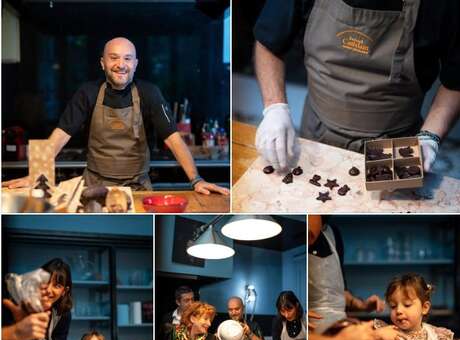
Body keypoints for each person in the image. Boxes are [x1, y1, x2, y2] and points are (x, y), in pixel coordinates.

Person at [2, 37, 229, 195]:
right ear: (103, 63)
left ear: (136, 64)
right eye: (114, 58)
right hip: (93, 186)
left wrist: (196, 180)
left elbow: (174, 139)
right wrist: (37, 175)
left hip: (137, 188)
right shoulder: (87, 92)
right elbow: (60, 136)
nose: (121, 64)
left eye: (128, 58)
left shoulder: (149, 93)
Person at [252, 0, 460, 172]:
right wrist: (275, 108)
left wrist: (429, 136)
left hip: (395, 147)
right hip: (316, 132)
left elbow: (456, 80)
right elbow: (268, 43)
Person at [308, 215, 385, 334]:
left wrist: (362, 305)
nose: (309, 240)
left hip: (340, 325)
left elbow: (340, 291)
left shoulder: (333, 232)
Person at [374, 273, 460, 340]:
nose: (398, 311)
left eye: (407, 305)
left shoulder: (436, 335)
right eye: (393, 306)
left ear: (424, 308)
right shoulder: (386, 333)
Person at [3, 258, 73, 340]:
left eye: (57, 286)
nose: (48, 289)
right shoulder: (20, 306)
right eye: (46, 281)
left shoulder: (63, 314)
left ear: (64, 291)